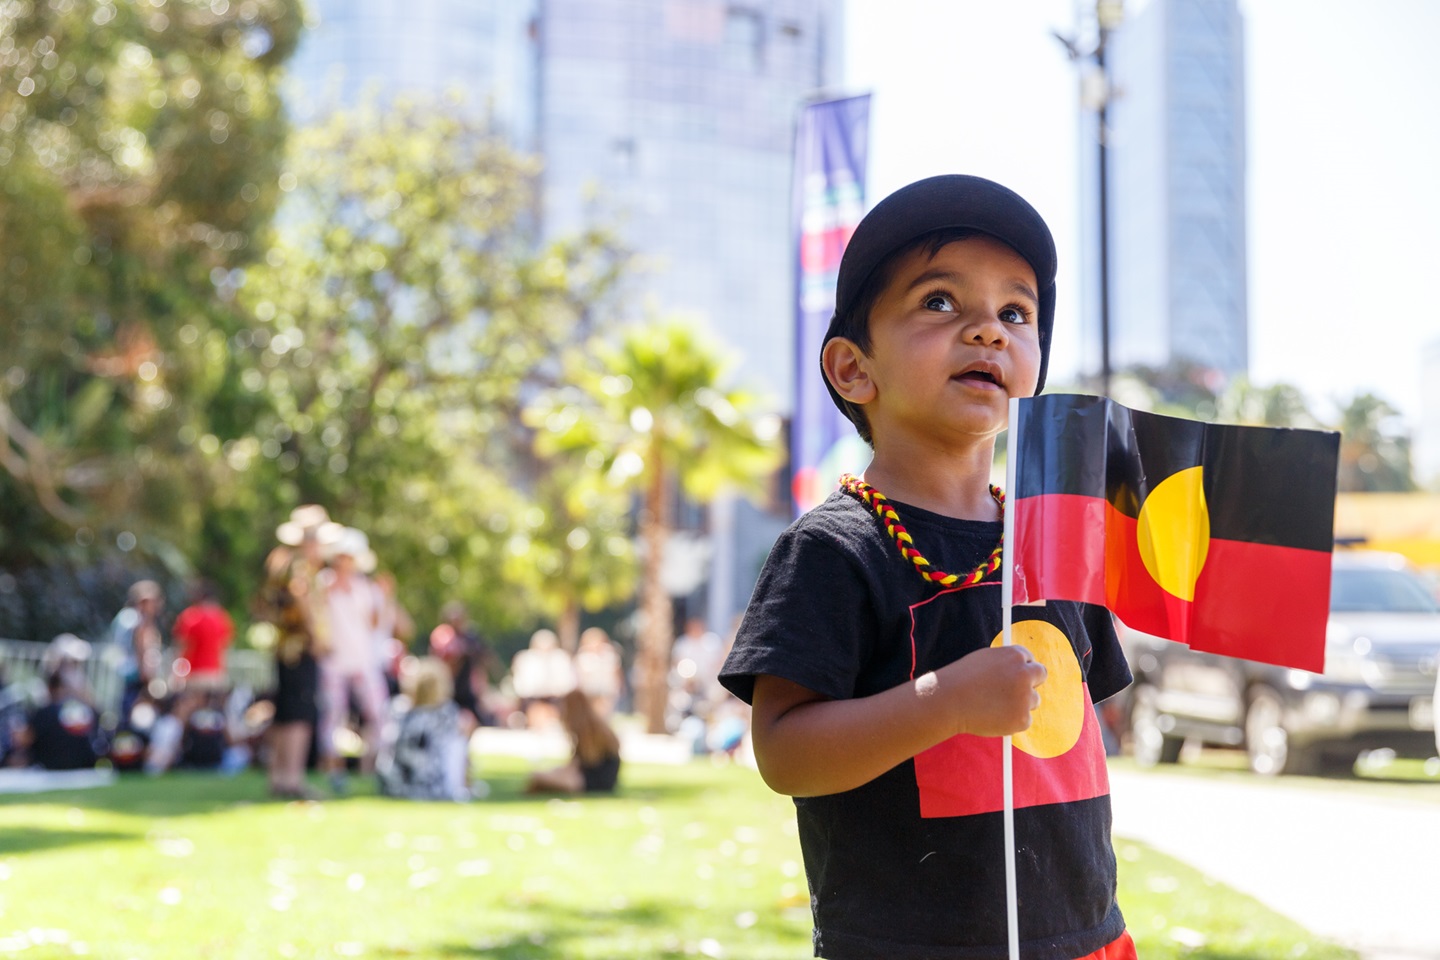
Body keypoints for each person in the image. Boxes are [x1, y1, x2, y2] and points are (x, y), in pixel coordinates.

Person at [718, 175, 1135, 960]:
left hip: (1084, 940)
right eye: (941, 302)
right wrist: (947, 701)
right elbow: (783, 751)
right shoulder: (835, 549)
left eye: (1017, 313)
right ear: (853, 370)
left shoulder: (1055, 538)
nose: (988, 331)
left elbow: (1081, 739)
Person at [254, 511, 332, 800]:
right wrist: (316, 637)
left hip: (285, 648)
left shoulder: (281, 562)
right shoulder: (300, 566)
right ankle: (293, 779)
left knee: (285, 712)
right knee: (299, 714)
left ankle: (280, 777)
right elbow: (302, 599)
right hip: (299, 649)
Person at [316, 526, 388, 793]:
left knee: (379, 714)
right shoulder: (322, 584)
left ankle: (373, 767)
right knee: (332, 716)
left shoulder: (366, 588)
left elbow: (375, 624)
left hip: (363, 661)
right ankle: (334, 769)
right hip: (333, 662)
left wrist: (385, 597)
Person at [377, 656, 476, 801]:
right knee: (459, 741)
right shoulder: (447, 714)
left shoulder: (397, 710)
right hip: (433, 787)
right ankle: (462, 787)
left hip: (395, 786)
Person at [524, 688, 622, 795]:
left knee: (541, 776)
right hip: (596, 779)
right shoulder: (594, 727)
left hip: (595, 781)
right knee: (545, 775)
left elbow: (583, 764)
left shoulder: (589, 733)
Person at [110, 579, 164, 714]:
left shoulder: (125, 616)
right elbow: (140, 645)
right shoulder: (137, 618)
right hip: (136, 676)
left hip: (128, 675)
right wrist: (148, 678)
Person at [171, 580, 234, 691]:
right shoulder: (223, 617)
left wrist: (177, 673)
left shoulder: (191, 616)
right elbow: (225, 646)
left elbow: (183, 646)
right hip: (216, 674)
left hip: (194, 674)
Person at [510, 628, 575, 729]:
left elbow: (569, 682)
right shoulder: (526, 659)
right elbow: (521, 684)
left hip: (556, 698)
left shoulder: (561, 659)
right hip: (532, 698)